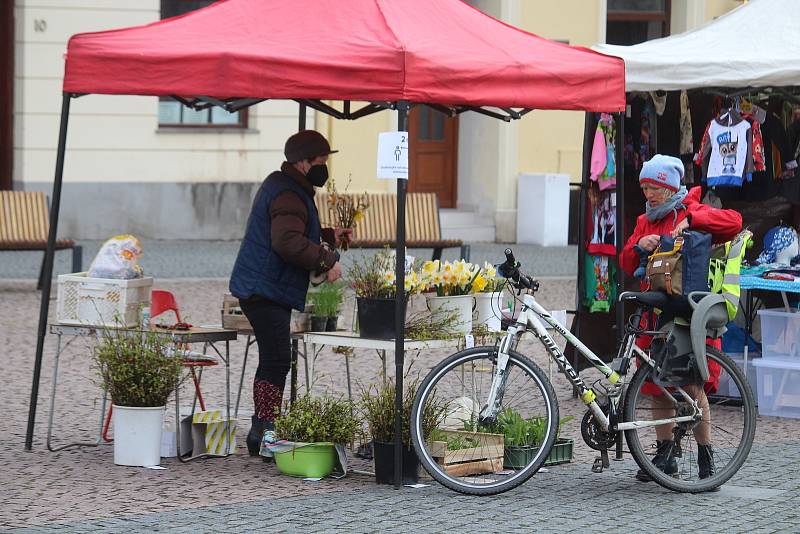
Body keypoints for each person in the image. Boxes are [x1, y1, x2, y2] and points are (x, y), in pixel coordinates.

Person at [620, 154, 742, 484]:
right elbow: (626, 262)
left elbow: (733, 222)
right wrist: (637, 245)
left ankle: (706, 457)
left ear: (670, 186)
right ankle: (664, 455)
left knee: (691, 387)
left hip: (688, 314)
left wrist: (693, 221)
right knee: (656, 386)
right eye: (645, 187)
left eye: (655, 187)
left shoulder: (691, 207)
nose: (648, 194)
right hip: (656, 313)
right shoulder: (645, 220)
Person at [229, 130, 350, 456]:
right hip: (263, 288)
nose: (324, 168)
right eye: (321, 162)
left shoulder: (288, 188)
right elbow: (286, 242)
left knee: (275, 358)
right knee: (276, 359)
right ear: (303, 162)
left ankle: (263, 429)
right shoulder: (288, 194)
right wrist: (327, 261)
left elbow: (293, 230)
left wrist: (327, 235)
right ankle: (264, 430)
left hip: (264, 286)